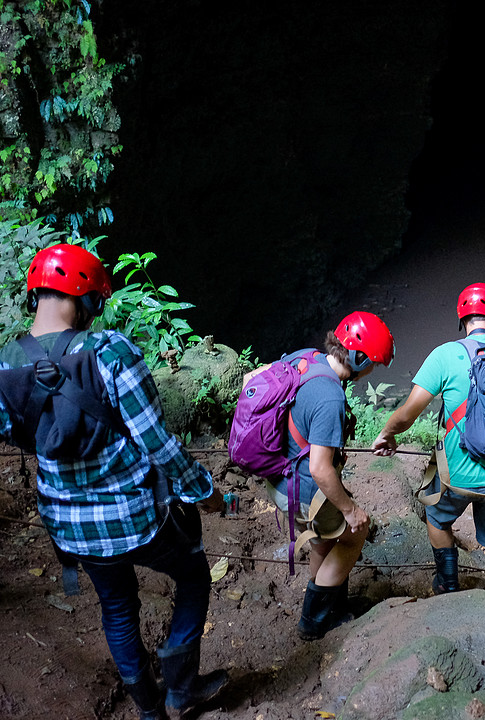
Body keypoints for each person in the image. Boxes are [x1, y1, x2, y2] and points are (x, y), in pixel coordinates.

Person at [0, 244, 227, 719]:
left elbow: (17, 433)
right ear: (87, 299)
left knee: (117, 605)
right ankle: (181, 691)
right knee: (193, 576)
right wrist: (203, 492)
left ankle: (148, 710)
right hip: (133, 516)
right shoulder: (109, 351)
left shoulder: (6, 365)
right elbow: (158, 443)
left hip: (68, 525)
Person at [373, 283, 485, 593]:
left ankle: (447, 583)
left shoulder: (445, 355)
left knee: (436, 517)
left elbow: (408, 413)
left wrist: (387, 434)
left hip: (454, 477)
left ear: (463, 319)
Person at [255, 311, 394, 640]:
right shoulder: (330, 397)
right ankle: (314, 622)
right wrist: (352, 511)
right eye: (372, 362)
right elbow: (320, 468)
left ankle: (328, 604)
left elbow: (259, 377)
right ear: (359, 359)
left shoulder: (305, 359)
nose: (373, 370)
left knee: (323, 541)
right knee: (355, 533)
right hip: (303, 488)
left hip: (278, 475)